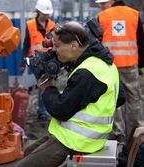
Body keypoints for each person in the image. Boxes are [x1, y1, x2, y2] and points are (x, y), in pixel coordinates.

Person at [15, 21, 125, 167]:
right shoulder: (104, 63)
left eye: (58, 46)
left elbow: (60, 110)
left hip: (78, 141)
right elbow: (121, 98)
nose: (54, 51)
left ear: (73, 45)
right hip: (91, 137)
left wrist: (48, 87)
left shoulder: (87, 72)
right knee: (26, 152)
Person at [97, 0, 144, 145]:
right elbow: (141, 42)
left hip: (110, 66)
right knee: (134, 99)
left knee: (114, 99)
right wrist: (140, 65)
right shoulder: (135, 15)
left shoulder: (102, 16)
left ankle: (118, 134)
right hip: (130, 65)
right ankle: (137, 132)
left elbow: (97, 44)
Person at [20, 0, 55, 121]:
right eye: (44, 13)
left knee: (47, 84)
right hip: (37, 61)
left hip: (50, 60)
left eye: (48, 13)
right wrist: (22, 63)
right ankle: (42, 112)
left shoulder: (52, 25)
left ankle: (45, 110)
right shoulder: (30, 25)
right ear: (38, 11)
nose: (46, 15)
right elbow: (26, 45)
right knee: (43, 84)